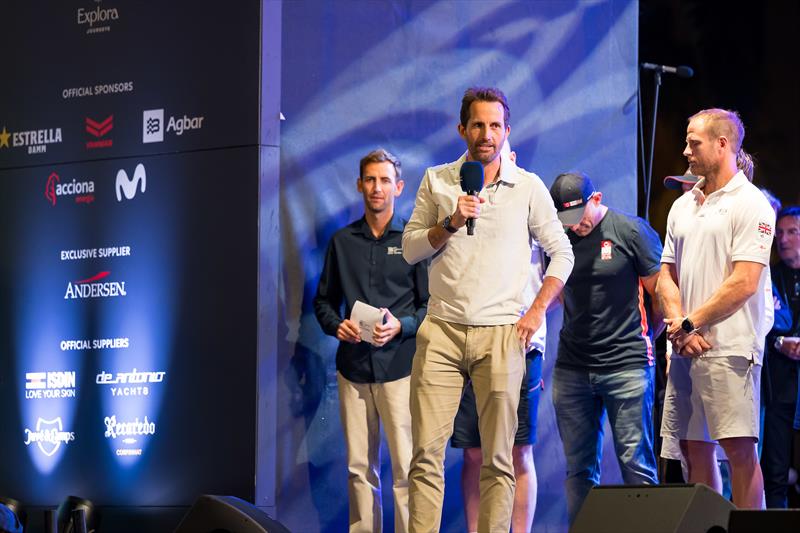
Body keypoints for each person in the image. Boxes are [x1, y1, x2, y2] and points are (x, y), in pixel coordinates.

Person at [402, 87, 574, 532]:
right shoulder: (437, 180)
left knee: (499, 460)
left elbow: (563, 253)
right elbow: (409, 249)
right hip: (441, 330)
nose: (486, 134)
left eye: (495, 125)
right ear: (462, 129)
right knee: (425, 456)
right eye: (477, 124)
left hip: (501, 333)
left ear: (507, 131)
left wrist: (536, 312)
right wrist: (451, 222)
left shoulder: (528, 186)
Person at [657, 108, 775, 509]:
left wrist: (691, 323)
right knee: (693, 449)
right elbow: (665, 276)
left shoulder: (752, 204)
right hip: (687, 348)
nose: (685, 150)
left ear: (722, 145)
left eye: (694, 143)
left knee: (739, 452)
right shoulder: (683, 205)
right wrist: (680, 328)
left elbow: (744, 282)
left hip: (729, 349)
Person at [313, 148, 429, 533]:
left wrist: (403, 326)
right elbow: (323, 302)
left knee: (406, 467)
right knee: (359, 469)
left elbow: (431, 307)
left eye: (384, 181)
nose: (376, 188)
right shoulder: (342, 242)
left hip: (400, 368)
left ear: (398, 187)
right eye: (369, 180)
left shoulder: (414, 241)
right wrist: (336, 326)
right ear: (359, 185)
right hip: (353, 370)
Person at [548, 172, 662, 525]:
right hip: (573, 368)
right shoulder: (560, 238)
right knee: (579, 471)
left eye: (580, 215)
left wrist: (644, 342)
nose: (576, 225)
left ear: (596, 199)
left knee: (636, 464)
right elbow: (549, 293)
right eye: (566, 219)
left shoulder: (631, 231)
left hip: (627, 365)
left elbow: (661, 293)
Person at [761, 205, 800, 508]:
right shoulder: (768, 275)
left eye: (792, 232)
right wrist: (778, 343)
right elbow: (760, 322)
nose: (783, 239)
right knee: (774, 470)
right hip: (779, 385)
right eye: (779, 233)